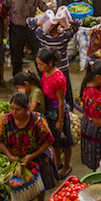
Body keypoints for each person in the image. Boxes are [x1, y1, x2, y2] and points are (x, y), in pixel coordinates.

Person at [0, 92, 57, 201]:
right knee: (20, 183)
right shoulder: (6, 121)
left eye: (17, 110)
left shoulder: (38, 121)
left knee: (40, 183)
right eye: (12, 108)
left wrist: (33, 155)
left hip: (37, 157)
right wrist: (9, 155)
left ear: (27, 109)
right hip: (16, 159)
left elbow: (49, 141)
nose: (13, 112)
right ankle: (25, 198)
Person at [36, 48, 73, 177]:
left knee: (65, 141)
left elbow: (61, 102)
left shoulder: (58, 78)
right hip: (49, 112)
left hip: (58, 112)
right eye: (37, 64)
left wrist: (60, 120)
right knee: (54, 140)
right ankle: (58, 161)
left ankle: (67, 166)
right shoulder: (45, 73)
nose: (38, 67)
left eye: (41, 64)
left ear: (50, 63)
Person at [4, 0, 46, 76]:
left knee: (38, 52)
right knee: (16, 55)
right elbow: (4, 10)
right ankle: (18, 78)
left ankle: (42, 78)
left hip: (32, 27)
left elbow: (45, 8)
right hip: (16, 28)